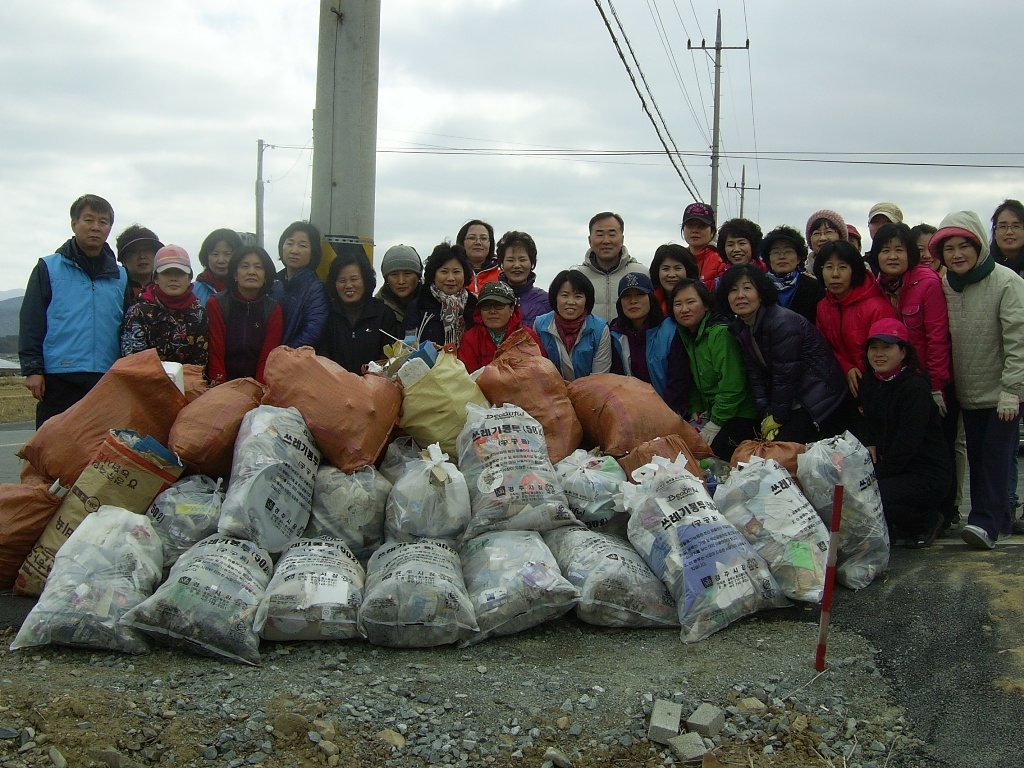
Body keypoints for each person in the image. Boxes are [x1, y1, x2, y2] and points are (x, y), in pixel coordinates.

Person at [932, 211, 1024, 549]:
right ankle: (998, 520)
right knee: (979, 457)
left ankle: (983, 522)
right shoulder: (946, 285)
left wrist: (1012, 390)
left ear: (979, 245)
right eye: (949, 249)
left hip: (1004, 391)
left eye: (964, 246)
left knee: (995, 456)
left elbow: (1018, 339)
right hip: (969, 390)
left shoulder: (1006, 281)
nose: (957, 255)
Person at [869, 221, 957, 530]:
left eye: (899, 249)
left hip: (926, 380)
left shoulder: (926, 282)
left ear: (911, 253)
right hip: (895, 378)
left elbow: (936, 336)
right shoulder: (878, 285)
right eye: (885, 250)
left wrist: (936, 386)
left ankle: (945, 513)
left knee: (936, 446)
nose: (892, 256)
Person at [19, 194, 127, 428]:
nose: (96, 227)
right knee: (54, 446)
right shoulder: (48, 267)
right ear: (74, 224)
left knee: (96, 449)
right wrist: (33, 369)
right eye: (88, 220)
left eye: (103, 222)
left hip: (106, 375)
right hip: (59, 375)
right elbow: (31, 321)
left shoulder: (121, 275)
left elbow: (127, 326)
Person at [717, 265, 846, 444]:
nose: (740, 295)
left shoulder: (781, 322)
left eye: (747, 288)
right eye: (733, 290)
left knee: (779, 450)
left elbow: (786, 377)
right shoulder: (742, 327)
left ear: (761, 293)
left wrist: (776, 418)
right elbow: (756, 377)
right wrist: (765, 415)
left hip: (817, 397)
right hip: (791, 397)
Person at [855, 319, 951, 549]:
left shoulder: (914, 388)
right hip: (894, 467)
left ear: (903, 351)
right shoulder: (870, 380)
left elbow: (908, 444)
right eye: (873, 347)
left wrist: (878, 476)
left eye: (887, 347)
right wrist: (869, 444)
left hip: (925, 473)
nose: (879, 354)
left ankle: (927, 520)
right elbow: (866, 423)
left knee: (871, 494)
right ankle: (902, 522)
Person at [665, 279, 759, 460]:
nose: (684, 309)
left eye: (690, 302)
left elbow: (733, 387)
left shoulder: (719, 333)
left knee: (710, 456)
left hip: (740, 414)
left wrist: (715, 422)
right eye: (678, 304)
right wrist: (696, 410)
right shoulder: (687, 334)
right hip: (715, 411)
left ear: (706, 305)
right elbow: (692, 380)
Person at [814, 239, 896, 397]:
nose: (835, 274)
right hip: (842, 385)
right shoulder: (823, 306)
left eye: (843, 267)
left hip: (880, 387)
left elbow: (890, 355)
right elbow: (823, 348)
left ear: (855, 270)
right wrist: (846, 366)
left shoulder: (876, 307)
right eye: (829, 267)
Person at [206, 245, 283, 385]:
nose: (252, 272)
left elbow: (267, 357)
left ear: (266, 275)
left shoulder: (273, 309)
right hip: (221, 383)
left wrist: (258, 390)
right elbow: (215, 353)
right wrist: (220, 389)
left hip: (257, 384)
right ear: (234, 274)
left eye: (258, 267)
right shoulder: (217, 304)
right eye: (245, 266)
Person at [120, 245, 208, 366]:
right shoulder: (139, 311)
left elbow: (201, 360)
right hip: (146, 381)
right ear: (155, 278)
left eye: (180, 273)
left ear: (189, 279)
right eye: (166, 273)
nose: (173, 278)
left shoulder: (198, 313)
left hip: (188, 381)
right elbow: (133, 360)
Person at [317, 250, 400, 374]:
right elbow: (322, 355)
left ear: (365, 281)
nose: (348, 285)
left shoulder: (383, 314)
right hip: (333, 385)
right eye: (342, 280)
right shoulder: (326, 314)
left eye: (354, 279)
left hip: (374, 387)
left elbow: (389, 357)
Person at [534, 270, 612, 381]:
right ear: (555, 297)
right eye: (565, 295)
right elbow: (538, 371)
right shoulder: (540, 325)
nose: (571, 302)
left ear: (587, 300)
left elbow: (600, 377)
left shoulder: (600, 329)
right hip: (551, 394)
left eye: (578, 296)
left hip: (591, 394)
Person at [609, 272, 674, 399]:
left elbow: (679, 378)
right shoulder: (615, 334)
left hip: (669, 408)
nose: (633, 301)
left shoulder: (670, 329)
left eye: (640, 294)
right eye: (627, 296)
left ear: (651, 298)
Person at [575, 211, 646, 322]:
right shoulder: (577, 276)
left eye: (612, 234)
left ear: (622, 239)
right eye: (599, 235)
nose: (606, 240)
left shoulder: (642, 273)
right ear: (589, 240)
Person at [457, 281, 544, 373]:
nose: (492, 311)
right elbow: (467, 376)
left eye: (499, 305)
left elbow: (539, 372)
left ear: (512, 308)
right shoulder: (471, 338)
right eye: (486, 306)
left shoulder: (527, 336)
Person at [403, 242, 477, 347]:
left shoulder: (474, 305)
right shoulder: (419, 306)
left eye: (456, 272)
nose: (451, 278)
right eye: (444, 272)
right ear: (433, 274)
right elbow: (407, 347)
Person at [271, 221, 328, 349]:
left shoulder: (315, 288)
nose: (294, 250)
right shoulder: (273, 283)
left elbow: (313, 330)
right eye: (290, 243)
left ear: (313, 253)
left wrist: (286, 353)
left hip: (293, 360)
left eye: (303, 245)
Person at [761, 226, 824, 324]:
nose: (782, 256)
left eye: (788, 251)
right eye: (776, 252)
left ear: (799, 258)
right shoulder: (759, 286)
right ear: (768, 259)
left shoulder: (814, 287)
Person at [496, 230, 548, 328]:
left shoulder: (545, 301)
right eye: (510, 260)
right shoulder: (490, 299)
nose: (516, 265)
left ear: (531, 263)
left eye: (522, 260)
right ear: (502, 263)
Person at [193, 228, 243, 307]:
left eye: (227, 254)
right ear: (206, 257)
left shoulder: (246, 289)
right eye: (215, 254)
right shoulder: (192, 291)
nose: (221, 260)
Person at [374, 244, 422, 325]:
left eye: (407, 273)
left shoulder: (434, 307)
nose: (401, 281)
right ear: (386, 279)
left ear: (418, 276)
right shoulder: (375, 311)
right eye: (394, 274)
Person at [115, 224, 163, 305]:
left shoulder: (167, 289)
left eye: (148, 250)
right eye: (134, 251)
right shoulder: (115, 290)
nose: (142, 256)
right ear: (123, 259)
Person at [681, 203, 725, 286]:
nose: (695, 230)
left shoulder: (721, 260)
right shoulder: (677, 259)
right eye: (690, 225)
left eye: (701, 226)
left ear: (712, 231)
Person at [649, 243, 699, 316]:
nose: (671, 275)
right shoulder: (649, 303)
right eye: (665, 269)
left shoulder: (701, 299)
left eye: (677, 268)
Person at [456, 219, 501, 294]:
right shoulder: (452, 272)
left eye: (483, 238)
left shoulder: (503, 273)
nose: (478, 242)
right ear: (461, 242)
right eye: (472, 238)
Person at [990, 198, 1024, 274]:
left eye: (1016, 226)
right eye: (1003, 226)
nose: (1009, 232)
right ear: (995, 232)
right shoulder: (985, 266)